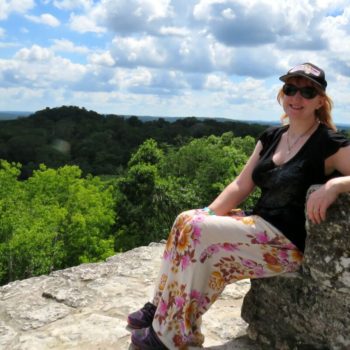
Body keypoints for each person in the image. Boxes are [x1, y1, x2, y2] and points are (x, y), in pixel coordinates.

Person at [128, 62, 350, 349]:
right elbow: (241, 185)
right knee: (186, 220)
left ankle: (170, 336)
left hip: (287, 244)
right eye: (291, 89)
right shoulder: (272, 137)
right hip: (259, 227)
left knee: (197, 230)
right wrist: (207, 215)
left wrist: (336, 185)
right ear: (283, 94)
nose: (297, 97)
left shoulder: (329, 142)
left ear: (320, 100)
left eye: (307, 92)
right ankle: (159, 308)